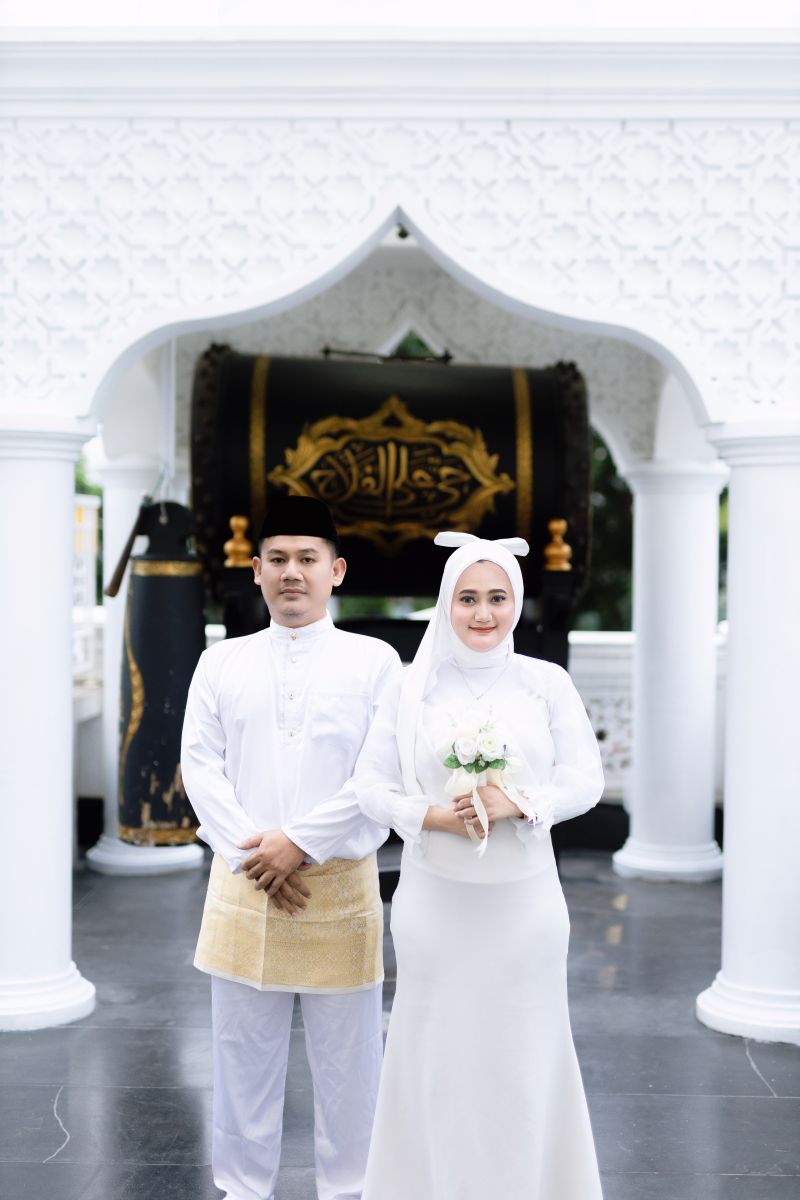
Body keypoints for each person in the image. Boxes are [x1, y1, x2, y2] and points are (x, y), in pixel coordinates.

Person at [352, 531, 605, 1199]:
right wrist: (433, 816)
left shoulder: (546, 683)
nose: (483, 613)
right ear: (446, 603)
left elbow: (587, 780)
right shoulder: (410, 687)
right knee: (437, 1052)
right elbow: (369, 785)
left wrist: (517, 801)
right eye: (467, 598)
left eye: (497, 597)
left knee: (523, 1050)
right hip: (435, 903)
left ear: (516, 602)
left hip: (525, 907)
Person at [181, 495, 401, 1200]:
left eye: (308, 558)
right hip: (244, 881)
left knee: (350, 1062)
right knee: (240, 1055)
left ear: (337, 571)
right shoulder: (221, 662)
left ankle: (350, 1188)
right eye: (277, 559)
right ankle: (243, 1187)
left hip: (338, 883)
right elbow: (199, 766)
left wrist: (298, 843)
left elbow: (381, 773)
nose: (292, 573)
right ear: (255, 571)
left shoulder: (376, 662)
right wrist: (259, 854)